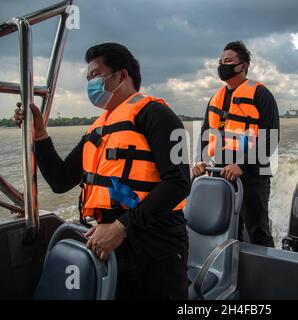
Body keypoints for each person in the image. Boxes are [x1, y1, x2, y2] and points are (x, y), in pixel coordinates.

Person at [14, 43, 190, 299]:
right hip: (111, 247)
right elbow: (60, 180)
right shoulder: (97, 130)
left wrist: (121, 227)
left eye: (96, 75)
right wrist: (39, 135)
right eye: (87, 78)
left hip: (157, 247)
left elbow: (179, 183)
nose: (90, 84)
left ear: (121, 75)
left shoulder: (158, 115)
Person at [192, 41, 280, 247]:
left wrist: (242, 165)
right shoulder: (216, 98)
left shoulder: (261, 94)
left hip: (252, 176)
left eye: (228, 61)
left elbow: (271, 137)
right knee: (225, 231)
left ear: (244, 66)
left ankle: (263, 277)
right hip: (220, 173)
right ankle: (231, 275)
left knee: (257, 231)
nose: (222, 65)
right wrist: (201, 160)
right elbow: (206, 134)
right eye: (220, 62)